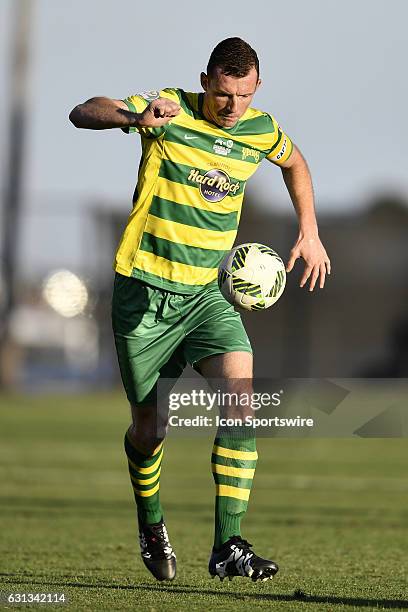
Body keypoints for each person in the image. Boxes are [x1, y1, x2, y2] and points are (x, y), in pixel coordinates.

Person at [69, 37, 330, 583]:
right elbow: (83, 111)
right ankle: (151, 521)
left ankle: (228, 544)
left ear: (256, 86)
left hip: (207, 296)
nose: (232, 106)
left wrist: (308, 230)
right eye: (222, 94)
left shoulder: (261, 129)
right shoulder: (168, 108)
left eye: (242, 94)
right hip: (144, 293)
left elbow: (295, 161)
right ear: (205, 80)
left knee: (241, 399)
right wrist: (133, 116)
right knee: (151, 428)